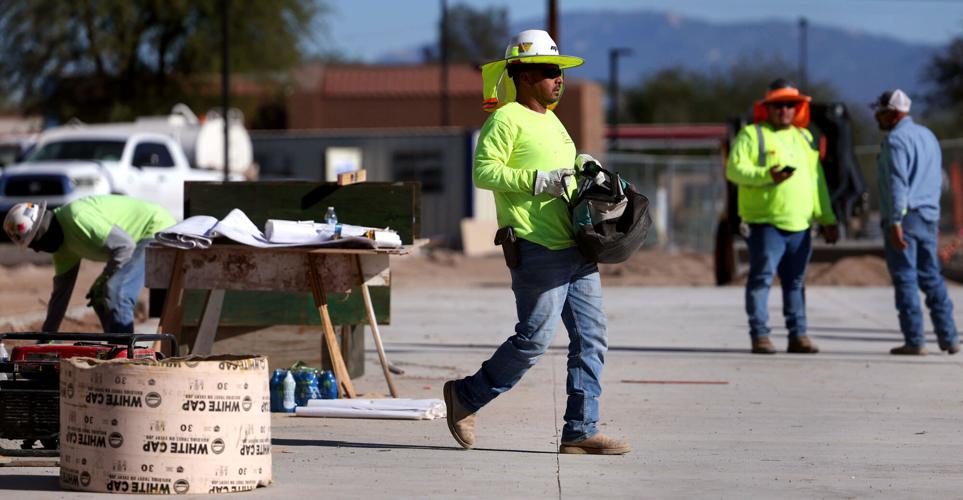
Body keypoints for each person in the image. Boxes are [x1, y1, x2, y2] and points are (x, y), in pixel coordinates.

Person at [442, 29, 629, 455]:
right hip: (536, 247)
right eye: (550, 71)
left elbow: (562, 168)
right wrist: (534, 181)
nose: (559, 80)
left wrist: (582, 165)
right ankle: (466, 397)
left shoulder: (552, 120)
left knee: (592, 337)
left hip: (574, 247)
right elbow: (483, 172)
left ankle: (581, 430)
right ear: (523, 75)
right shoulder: (505, 119)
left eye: (560, 72)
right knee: (533, 340)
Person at [726, 79, 839, 354]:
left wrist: (827, 218)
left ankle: (798, 335)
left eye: (791, 105)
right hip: (766, 223)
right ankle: (760, 335)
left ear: (798, 108)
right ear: (767, 108)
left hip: (801, 224)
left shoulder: (804, 138)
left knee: (796, 282)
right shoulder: (752, 135)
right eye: (778, 105)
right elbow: (734, 170)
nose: (784, 110)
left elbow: (817, 181)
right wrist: (768, 176)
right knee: (762, 278)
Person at [3, 195, 175, 334]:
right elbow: (60, 298)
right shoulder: (63, 251)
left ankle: (126, 356)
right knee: (99, 297)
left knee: (117, 291)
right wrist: (46, 339)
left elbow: (125, 246)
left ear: (43, 231)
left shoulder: (77, 217)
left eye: (35, 244)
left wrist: (103, 279)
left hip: (156, 230)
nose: (38, 251)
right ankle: (116, 349)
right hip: (136, 242)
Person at [872, 89, 959, 355]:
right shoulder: (928, 136)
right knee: (931, 275)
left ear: (893, 114)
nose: (877, 117)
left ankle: (914, 340)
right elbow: (939, 180)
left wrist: (896, 221)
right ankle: (949, 337)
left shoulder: (896, 141)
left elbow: (898, 181)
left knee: (905, 278)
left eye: (881, 112)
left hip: (905, 217)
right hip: (928, 216)